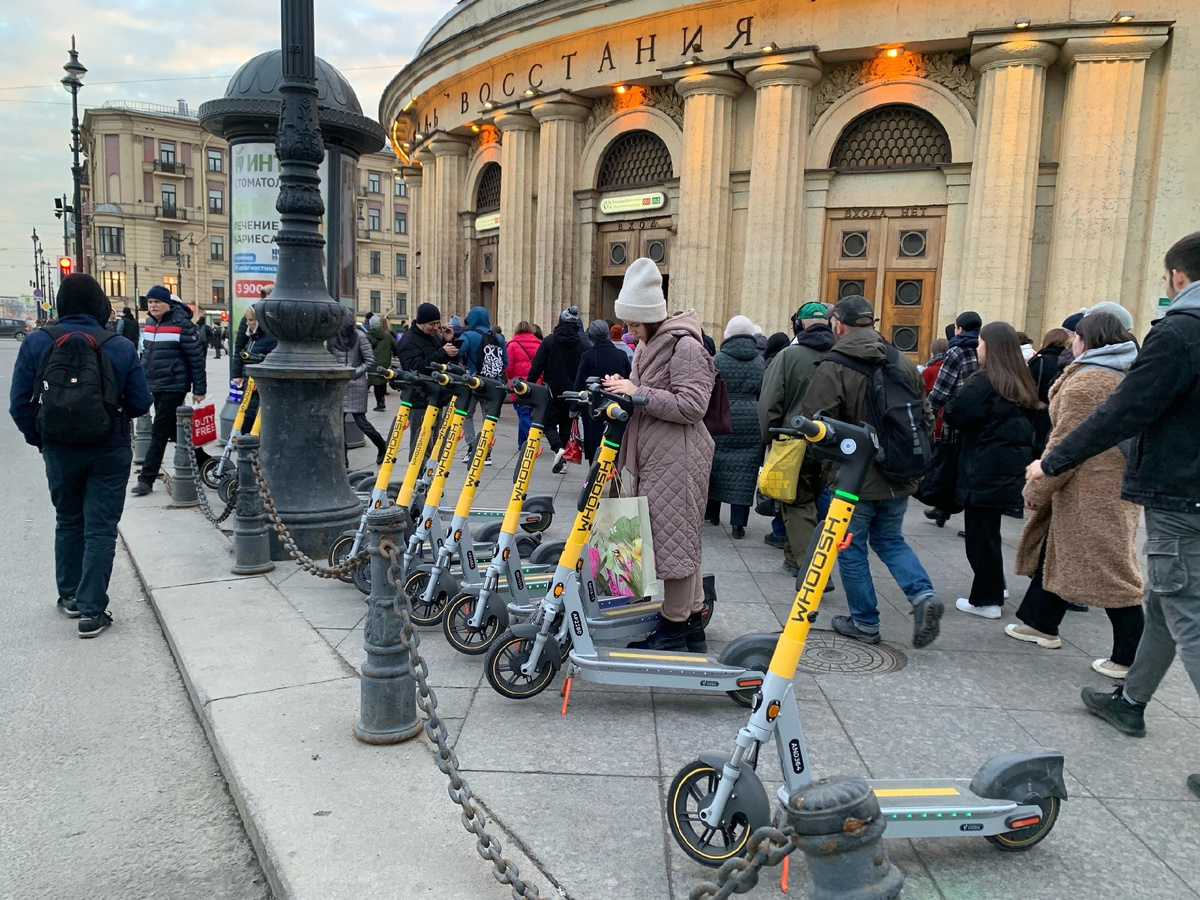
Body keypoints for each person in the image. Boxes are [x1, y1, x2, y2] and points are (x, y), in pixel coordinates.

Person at [1027, 233, 1200, 800]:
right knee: (1161, 604)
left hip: (1181, 494)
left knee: (1185, 613)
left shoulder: (1179, 331)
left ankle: (1130, 700)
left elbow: (1122, 413)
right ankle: (1130, 703)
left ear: (1177, 277)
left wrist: (1051, 462)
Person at [9, 274, 153, 638]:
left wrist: (41, 439)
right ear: (98, 304)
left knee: (68, 520)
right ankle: (92, 612)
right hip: (109, 449)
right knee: (100, 529)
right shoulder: (118, 345)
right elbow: (140, 402)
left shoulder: (37, 342)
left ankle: (70, 595)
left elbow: (18, 405)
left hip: (59, 450)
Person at [801, 294, 942, 648]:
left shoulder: (836, 363)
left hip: (855, 478)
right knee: (890, 539)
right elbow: (925, 415)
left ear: (839, 324)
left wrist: (825, 464)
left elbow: (816, 423)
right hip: (899, 471)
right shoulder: (902, 360)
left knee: (851, 547)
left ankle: (865, 621)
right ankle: (923, 595)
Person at [1008, 312, 1143, 674]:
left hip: (1092, 489)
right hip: (1104, 485)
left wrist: (1036, 488)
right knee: (1059, 550)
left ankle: (1130, 658)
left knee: (1110, 571)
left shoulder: (1089, 383)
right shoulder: (1118, 373)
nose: (1071, 342)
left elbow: (1064, 444)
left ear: (1089, 340)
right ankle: (1041, 623)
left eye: (1076, 336)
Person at [602, 258, 715, 651]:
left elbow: (693, 405)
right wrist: (627, 384)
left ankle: (674, 627)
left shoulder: (685, 346)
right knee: (678, 540)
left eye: (633, 324)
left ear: (651, 317)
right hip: (659, 454)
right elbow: (647, 387)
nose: (628, 333)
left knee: (674, 545)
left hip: (678, 458)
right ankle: (694, 622)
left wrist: (638, 394)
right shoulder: (651, 344)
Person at [944, 322, 1040, 619]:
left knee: (980, 536)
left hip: (983, 469)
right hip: (1008, 470)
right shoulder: (1021, 379)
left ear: (992, 348)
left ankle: (987, 600)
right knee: (988, 533)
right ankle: (995, 586)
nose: (977, 348)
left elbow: (955, 413)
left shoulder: (985, 381)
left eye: (981, 343)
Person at [758, 303, 835, 568]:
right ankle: (792, 556)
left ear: (798, 325)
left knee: (797, 502)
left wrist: (768, 437)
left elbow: (770, 401)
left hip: (794, 439)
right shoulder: (841, 354)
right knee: (813, 496)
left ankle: (810, 567)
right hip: (833, 442)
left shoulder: (788, 356)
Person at [130, 286, 207, 496]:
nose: (153, 305)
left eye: (157, 302)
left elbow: (196, 359)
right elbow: (146, 355)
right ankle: (204, 462)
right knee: (172, 430)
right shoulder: (149, 323)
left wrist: (199, 388)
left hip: (174, 384)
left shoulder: (182, 324)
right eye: (150, 302)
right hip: (154, 383)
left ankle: (146, 479)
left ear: (168, 304)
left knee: (159, 431)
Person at [705, 316, 764, 539]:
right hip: (751, 418)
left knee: (715, 463)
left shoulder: (717, 360)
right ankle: (738, 525)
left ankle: (712, 513)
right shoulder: (759, 361)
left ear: (727, 335)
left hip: (722, 416)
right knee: (746, 470)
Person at [924, 311, 982, 525]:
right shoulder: (983, 348)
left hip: (955, 418)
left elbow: (942, 388)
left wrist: (928, 410)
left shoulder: (956, 350)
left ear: (958, 328)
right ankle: (948, 509)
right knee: (966, 469)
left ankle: (945, 507)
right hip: (977, 418)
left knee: (949, 468)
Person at [529, 306, 588, 473]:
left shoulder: (549, 341)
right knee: (566, 425)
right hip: (573, 392)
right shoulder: (583, 344)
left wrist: (529, 385)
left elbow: (537, 366)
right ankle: (561, 460)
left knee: (546, 421)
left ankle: (557, 449)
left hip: (552, 391)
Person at [396, 302, 458, 459]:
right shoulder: (408, 341)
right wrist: (443, 352)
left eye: (438, 323)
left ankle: (428, 479)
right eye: (432, 324)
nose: (436, 327)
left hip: (436, 398)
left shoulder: (435, 337)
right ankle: (416, 478)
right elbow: (416, 368)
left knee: (435, 443)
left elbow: (444, 363)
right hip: (419, 401)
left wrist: (447, 341)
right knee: (421, 445)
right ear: (421, 323)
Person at [328, 307, 387, 465]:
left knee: (361, 421)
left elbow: (369, 360)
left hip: (355, 384)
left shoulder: (360, 336)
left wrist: (354, 373)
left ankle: (381, 445)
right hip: (340, 384)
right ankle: (344, 461)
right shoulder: (333, 337)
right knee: (339, 425)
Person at [574, 319, 631, 462]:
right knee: (614, 440)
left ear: (590, 337)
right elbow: (630, 380)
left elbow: (579, 384)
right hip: (617, 405)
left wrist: (574, 407)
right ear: (608, 334)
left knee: (594, 443)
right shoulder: (621, 355)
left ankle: (594, 476)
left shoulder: (587, 356)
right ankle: (615, 473)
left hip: (594, 407)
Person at [456, 306, 506, 461]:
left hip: (473, 381)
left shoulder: (468, 335)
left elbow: (459, 355)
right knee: (489, 417)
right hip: (493, 383)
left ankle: (472, 447)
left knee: (466, 414)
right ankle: (486, 451)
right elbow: (505, 362)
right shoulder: (499, 338)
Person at [230, 305, 278, 432]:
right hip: (249, 384)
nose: (247, 323)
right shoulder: (253, 337)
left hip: (258, 386)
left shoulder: (269, 339)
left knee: (251, 417)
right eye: (247, 320)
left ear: (259, 321)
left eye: (250, 320)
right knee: (246, 415)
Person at [505, 321, 543, 450]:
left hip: (519, 384)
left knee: (522, 412)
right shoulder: (539, 344)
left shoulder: (512, 345)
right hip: (535, 383)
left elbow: (508, 368)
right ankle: (522, 442)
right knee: (528, 411)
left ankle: (532, 442)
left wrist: (509, 378)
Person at [367, 314, 400, 411]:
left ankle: (379, 403)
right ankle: (382, 401)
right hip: (385, 363)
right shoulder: (387, 335)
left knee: (376, 384)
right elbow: (396, 346)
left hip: (373, 364)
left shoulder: (367, 336)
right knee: (381, 382)